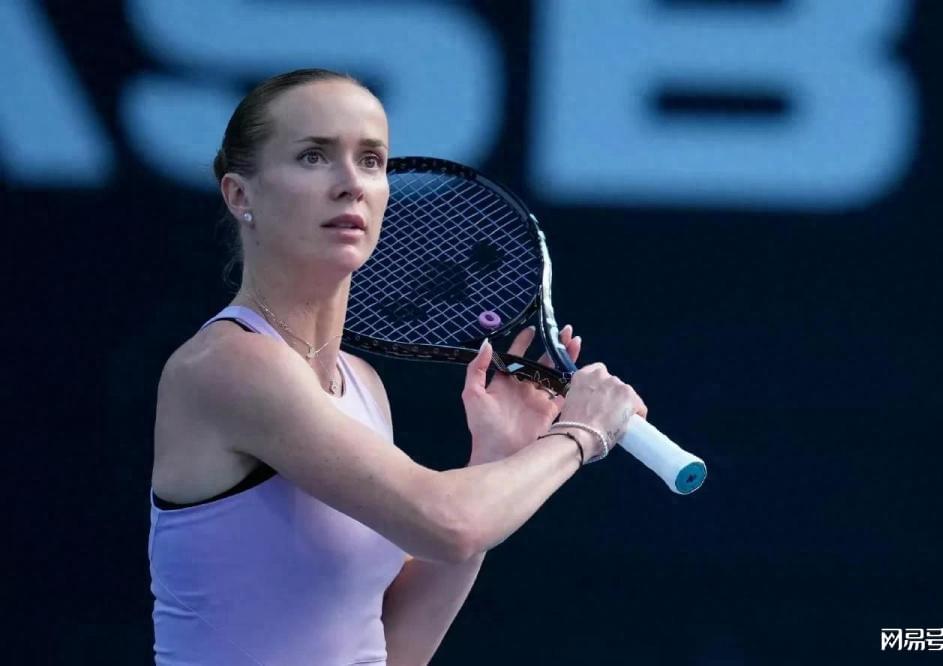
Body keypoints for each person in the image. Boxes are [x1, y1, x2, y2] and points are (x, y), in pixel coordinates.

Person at [148, 68, 646, 666]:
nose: (350, 184)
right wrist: (580, 434)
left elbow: (394, 649)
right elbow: (448, 523)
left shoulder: (362, 386)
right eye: (313, 157)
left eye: (371, 161)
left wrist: (496, 455)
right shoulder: (228, 365)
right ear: (239, 195)